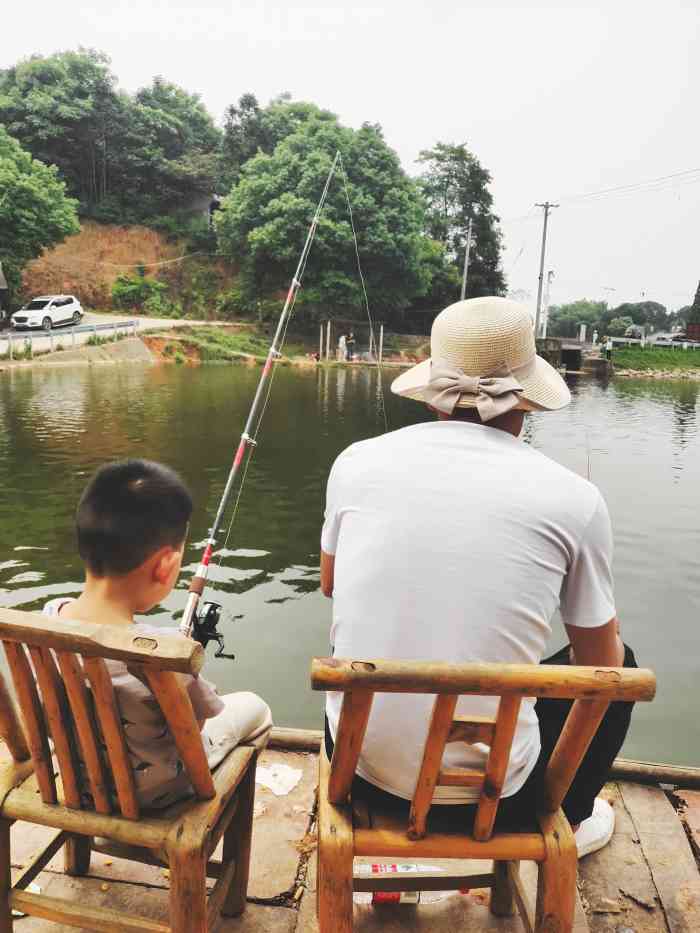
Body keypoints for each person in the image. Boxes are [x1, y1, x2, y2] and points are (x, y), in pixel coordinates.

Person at [320, 296, 637, 857]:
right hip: (494, 798)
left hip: (361, 772)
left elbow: (331, 584)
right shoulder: (575, 498)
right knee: (622, 665)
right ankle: (571, 812)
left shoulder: (354, 461)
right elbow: (601, 667)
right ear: (526, 397)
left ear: (435, 392)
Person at [44, 459, 272, 809]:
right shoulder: (163, 650)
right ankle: (206, 817)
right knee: (256, 709)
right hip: (154, 797)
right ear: (165, 567)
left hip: (78, 785)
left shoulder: (47, 618)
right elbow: (194, 728)